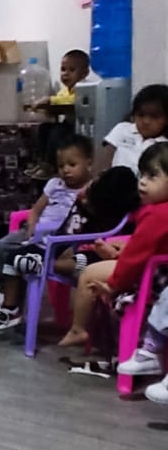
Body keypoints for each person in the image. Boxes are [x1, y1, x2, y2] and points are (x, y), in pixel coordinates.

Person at [58, 141, 168, 349]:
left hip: (154, 277)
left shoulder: (156, 215)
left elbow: (135, 258)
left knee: (89, 274)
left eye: (152, 176)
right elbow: (153, 246)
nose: (142, 183)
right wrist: (123, 250)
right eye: (142, 175)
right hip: (157, 269)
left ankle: (78, 329)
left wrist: (114, 284)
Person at [0, 134, 94, 334]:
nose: (66, 170)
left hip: (62, 240)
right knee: (2, 246)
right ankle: (2, 291)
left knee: (19, 258)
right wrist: (31, 227)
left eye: (72, 164)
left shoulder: (91, 190)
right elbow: (35, 210)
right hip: (37, 232)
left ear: (88, 162)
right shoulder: (55, 184)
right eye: (61, 166)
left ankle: (12, 304)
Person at [25, 49, 93, 176]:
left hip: (80, 128)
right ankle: (43, 162)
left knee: (57, 132)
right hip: (68, 124)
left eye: (71, 70)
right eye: (63, 69)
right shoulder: (65, 90)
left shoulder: (85, 88)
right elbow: (59, 103)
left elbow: (72, 101)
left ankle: (50, 165)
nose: (66, 74)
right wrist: (48, 108)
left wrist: (50, 100)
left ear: (84, 73)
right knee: (44, 128)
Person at [100, 83, 168, 172]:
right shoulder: (122, 129)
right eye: (141, 115)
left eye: (154, 117)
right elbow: (104, 160)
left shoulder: (164, 145)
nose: (146, 121)